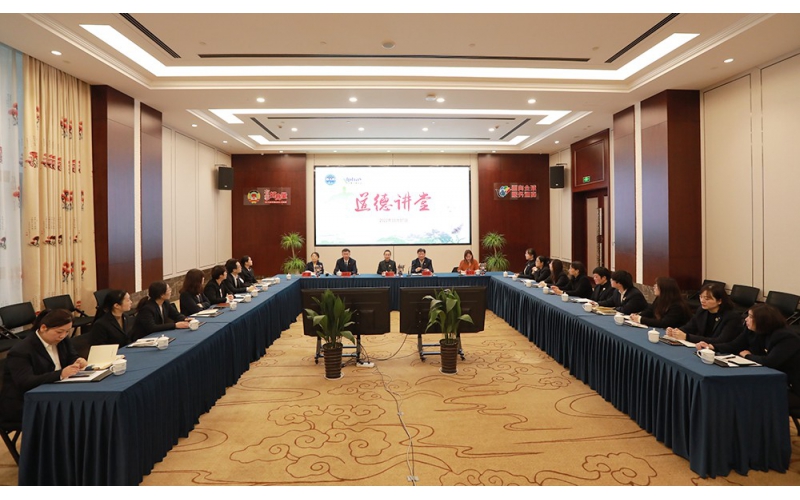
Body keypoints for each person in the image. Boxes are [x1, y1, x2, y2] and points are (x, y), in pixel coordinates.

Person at [696, 304, 800, 411]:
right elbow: (735, 345)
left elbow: (770, 361)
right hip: (770, 381)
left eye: (750, 317)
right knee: (737, 391)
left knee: (748, 397)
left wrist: (748, 356)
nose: (746, 319)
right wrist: (712, 347)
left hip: (792, 388)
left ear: (763, 320)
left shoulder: (786, 337)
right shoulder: (753, 330)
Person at [0, 309, 88, 424]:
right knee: (72, 412)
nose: (63, 336)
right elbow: (25, 382)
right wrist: (60, 374)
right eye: (59, 331)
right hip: (25, 402)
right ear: (43, 328)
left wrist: (78, 361)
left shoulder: (62, 340)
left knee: (84, 404)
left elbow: (71, 357)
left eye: (67, 331)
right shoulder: (21, 351)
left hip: (54, 392)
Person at [666, 283, 741, 344]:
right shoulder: (702, 311)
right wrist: (675, 331)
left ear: (719, 301)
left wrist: (687, 337)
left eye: (707, 299)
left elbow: (720, 340)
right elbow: (690, 327)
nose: (702, 301)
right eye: (701, 297)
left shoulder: (731, 317)